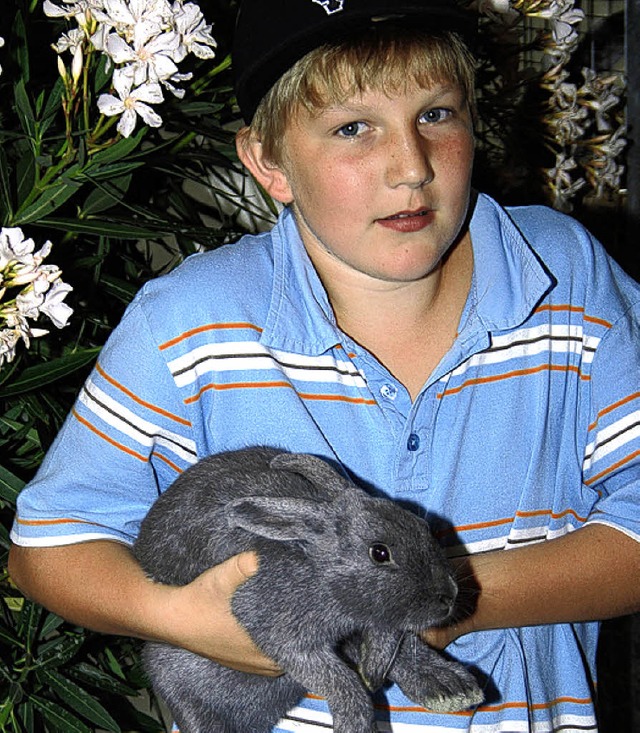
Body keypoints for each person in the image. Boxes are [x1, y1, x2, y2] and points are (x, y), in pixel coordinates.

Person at [8, 0, 640, 730]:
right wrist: (178, 614)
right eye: (352, 128)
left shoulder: (564, 278)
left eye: (436, 114)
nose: (411, 167)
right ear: (268, 163)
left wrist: (443, 597)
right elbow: (48, 548)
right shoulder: (192, 318)